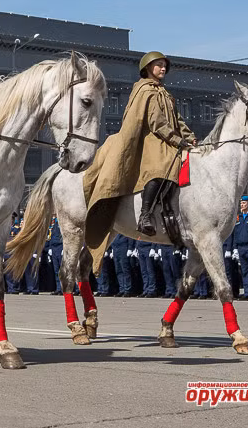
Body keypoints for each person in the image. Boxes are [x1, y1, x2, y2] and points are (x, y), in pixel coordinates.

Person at [78, 50, 196, 278]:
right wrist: (176, 140)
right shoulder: (145, 91)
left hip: (167, 139)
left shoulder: (165, 93)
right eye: (158, 65)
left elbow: (177, 120)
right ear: (147, 68)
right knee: (160, 167)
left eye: (164, 66)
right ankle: (145, 215)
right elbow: (156, 122)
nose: (163, 69)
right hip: (151, 139)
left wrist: (190, 136)